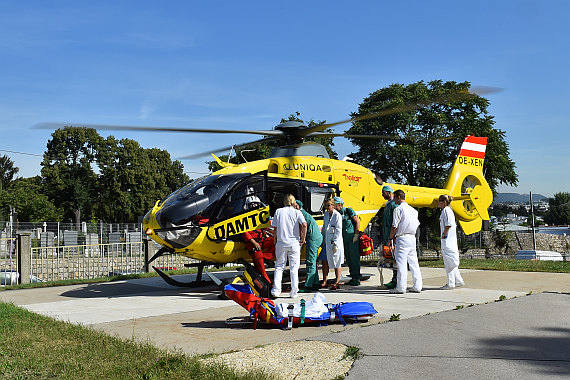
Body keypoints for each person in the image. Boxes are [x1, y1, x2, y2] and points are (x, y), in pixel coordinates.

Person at [270, 194, 307, 298]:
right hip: (294, 243)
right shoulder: (297, 212)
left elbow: (275, 228)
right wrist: (302, 238)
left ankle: (276, 290)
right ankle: (294, 291)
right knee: (294, 268)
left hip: (281, 242)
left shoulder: (278, 211)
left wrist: (275, 240)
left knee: (279, 267)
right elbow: (304, 224)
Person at [388, 190, 422, 294]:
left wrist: (390, 238)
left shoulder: (398, 209)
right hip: (412, 237)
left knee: (401, 263)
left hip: (402, 237)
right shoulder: (413, 211)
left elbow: (395, 226)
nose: (393, 200)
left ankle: (401, 287)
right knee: (414, 263)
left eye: (394, 198)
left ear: (398, 197)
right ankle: (417, 285)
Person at [242, 196, 275, 283]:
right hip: (253, 244)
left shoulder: (262, 216)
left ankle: (264, 257)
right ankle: (268, 283)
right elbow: (245, 234)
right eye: (251, 204)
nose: (253, 206)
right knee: (261, 269)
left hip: (262, 240)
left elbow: (268, 226)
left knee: (277, 242)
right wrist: (255, 243)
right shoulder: (243, 218)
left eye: (255, 204)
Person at [294, 200, 323, 292]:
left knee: (310, 261)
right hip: (316, 237)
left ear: (298, 206)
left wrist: (302, 239)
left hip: (313, 238)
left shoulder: (301, 214)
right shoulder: (304, 213)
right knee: (313, 261)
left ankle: (308, 285)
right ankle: (315, 283)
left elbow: (303, 227)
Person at [438, 194, 465, 289]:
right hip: (450, 240)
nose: (438, 203)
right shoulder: (448, 211)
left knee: (449, 262)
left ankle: (450, 283)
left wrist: (444, 234)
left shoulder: (446, 211)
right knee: (451, 261)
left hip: (447, 240)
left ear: (444, 202)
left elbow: (448, 224)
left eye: (439, 201)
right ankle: (459, 280)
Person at [333, 197, 361, 286]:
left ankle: (356, 278)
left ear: (340, 205)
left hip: (352, 238)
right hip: (343, 239)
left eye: (334, 205)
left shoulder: (348, 210)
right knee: (348, 258)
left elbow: (357, 222)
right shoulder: (336, 214)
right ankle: (352, 275)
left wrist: (356, 234)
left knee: (354, 258)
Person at [322, 198, 344, 290]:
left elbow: (338, 230)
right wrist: (322, 239)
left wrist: (335, 243)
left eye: (328, 205)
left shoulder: (337, 216)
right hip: (327, 241)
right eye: (326, 206)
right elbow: (324, 227)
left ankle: (337, 282)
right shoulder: (326, 215)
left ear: (333, 206)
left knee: (337, 262)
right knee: (325, 261)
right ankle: (325, 281)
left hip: (336, 242)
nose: (327, 207)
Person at [381, 185, 399, 289]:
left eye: (383, 193)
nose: (382, 195)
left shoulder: (394, 205)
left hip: (393, 236)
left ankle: (396, 280)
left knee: (395, 259)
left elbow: (395, 222)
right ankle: (394, 279)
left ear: (389, 192)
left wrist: (393, 236)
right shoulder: (389, 204)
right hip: (388, 235)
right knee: (391, 258)